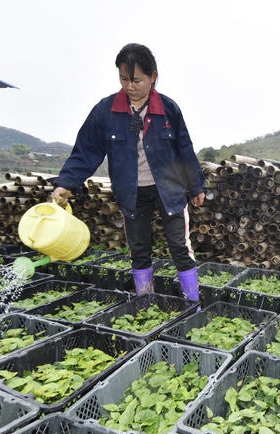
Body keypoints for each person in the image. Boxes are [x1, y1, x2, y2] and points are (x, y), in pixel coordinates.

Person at [50, 43, 205, 301]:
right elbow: (86, 150)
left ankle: (194, 305)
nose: (129, 86)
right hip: (131, 192)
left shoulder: (168, 109)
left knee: (180, 247)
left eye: (136, 80)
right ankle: (146, 303)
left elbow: (184, 148)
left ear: (153, 76)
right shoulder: (106, 111)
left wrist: (197, 185)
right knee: (139, 250)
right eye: (123, 79)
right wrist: (66, 183)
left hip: (169, 189)